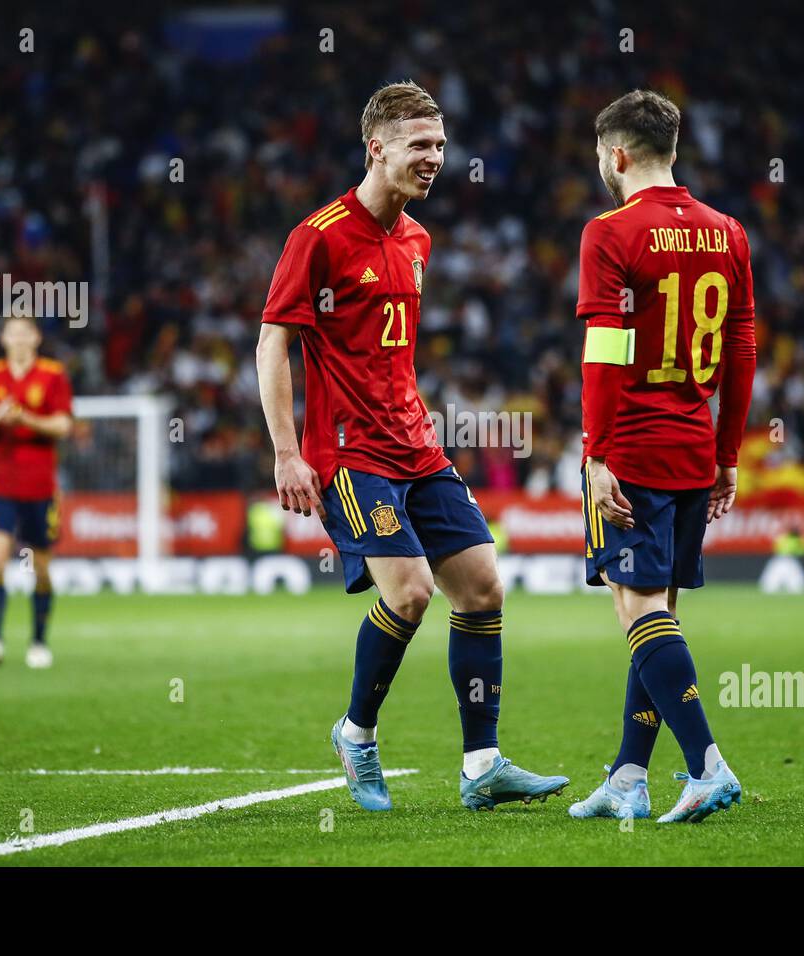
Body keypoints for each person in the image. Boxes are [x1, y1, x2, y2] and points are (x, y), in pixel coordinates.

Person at [256, 81, 568, 812]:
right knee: (412, 592)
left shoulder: (418, 240)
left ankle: (483, 764)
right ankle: (356, 734)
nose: (435, 159)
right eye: (420, 146)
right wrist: (285, 451)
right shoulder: (319, 236)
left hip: (417, 447)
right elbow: (274, 345)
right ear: (377, 148)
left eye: (440, 146)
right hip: (349, 454)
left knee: (484, 588)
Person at [569, 90, 756, 823]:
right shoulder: (729, 232)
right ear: (672, 150)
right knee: (660, 614)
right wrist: (729, 452)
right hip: (694, 444)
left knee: (638, 610)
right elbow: (741, 349)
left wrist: (596, 452)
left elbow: (605, 351)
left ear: (616, 154)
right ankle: (627, 776)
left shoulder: (610, 232)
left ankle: (707, 764)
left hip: (634, 446)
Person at [0, 316, 73, 669]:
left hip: (40, 489)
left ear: (37, 337)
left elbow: (63, 424)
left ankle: (39, 641)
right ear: (4, 338)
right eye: (14, 332)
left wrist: (25, 419)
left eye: (27, 332)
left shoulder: (53, 374)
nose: (21, 338)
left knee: (40, 569)